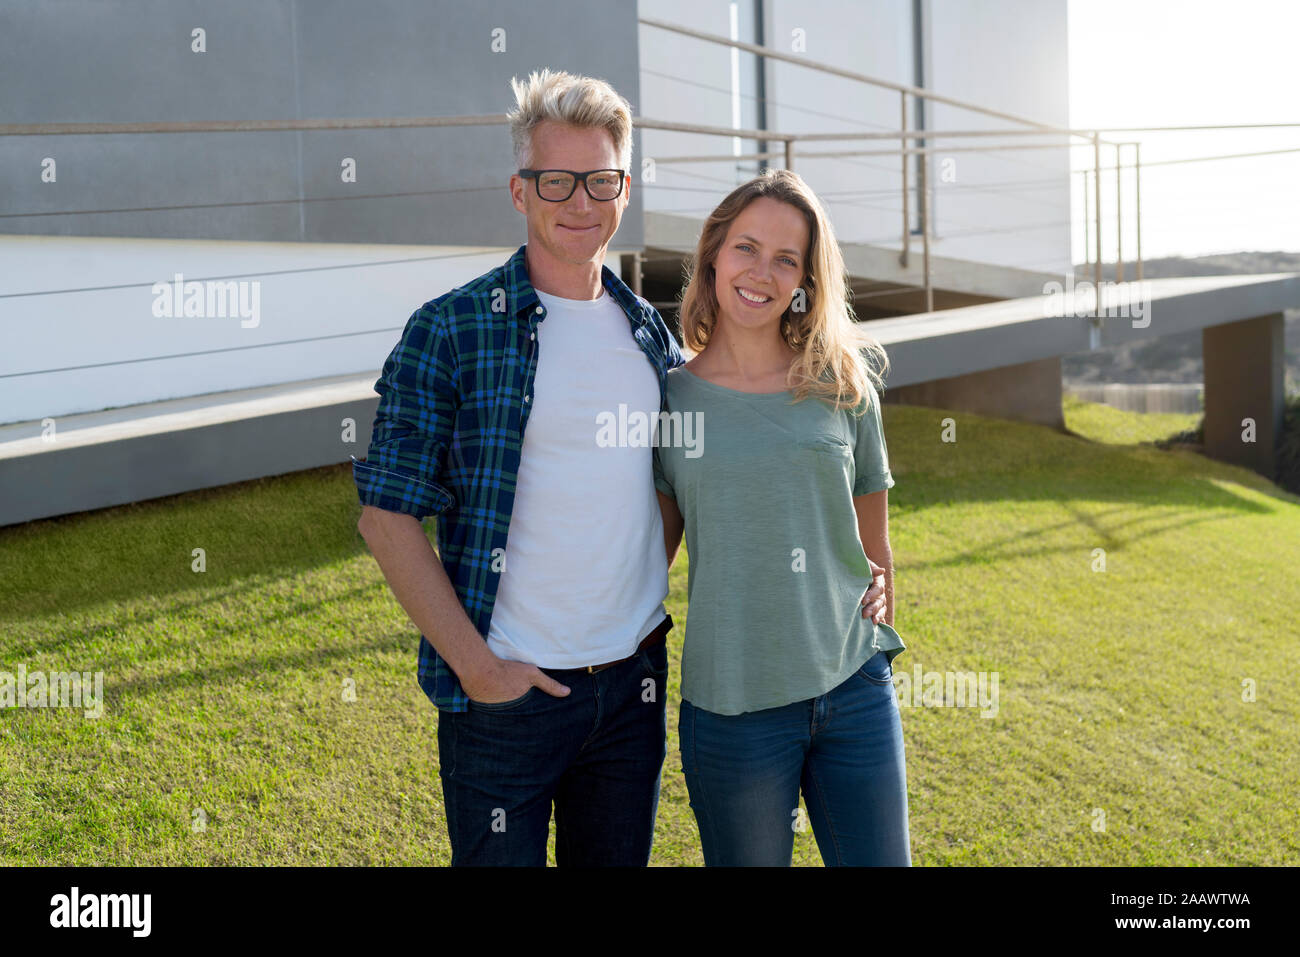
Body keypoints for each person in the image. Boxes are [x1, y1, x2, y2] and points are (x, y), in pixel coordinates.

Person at [353, 68, 684, 866]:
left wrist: (630, 592)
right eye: (555, 180)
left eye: (599, 180)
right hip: (507, 695)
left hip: (631, 686)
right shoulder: (453, 328)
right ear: (519, 189)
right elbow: (386, 514)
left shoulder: (650, 336)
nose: (579, 201)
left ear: (624, 188)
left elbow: (667, 487)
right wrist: (478, 667)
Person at [653, 168, 910, 866]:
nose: (760, 272)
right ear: (714, 253)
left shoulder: (844, 385)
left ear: (805, 280)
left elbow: (875, 545)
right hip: (733, 708)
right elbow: (648, 558)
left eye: (785, 258)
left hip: (853, 688)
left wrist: (880, 597)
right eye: (746, 247)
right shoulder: (668, 401)